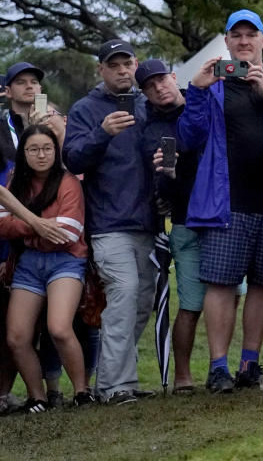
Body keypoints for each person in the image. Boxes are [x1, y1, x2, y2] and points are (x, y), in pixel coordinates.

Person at [179, 9, 263, 393]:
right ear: (226, 41)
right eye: (237, 35)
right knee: (221, 284)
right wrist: (195, 91)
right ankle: (218, 368)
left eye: (252, 34)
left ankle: (250, 364)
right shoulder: (212, 83)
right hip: (226, 201)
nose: (244, 41)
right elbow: (189, 139)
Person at [63, 39, 156, 404]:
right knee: (124, 295)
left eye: (127, 63)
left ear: (135, 66)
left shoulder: (149, 103)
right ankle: (114, 385)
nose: (121, 70)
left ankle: (120, 379)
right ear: (100, 69)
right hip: (107, 223)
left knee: (141, 303)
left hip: (148, 223)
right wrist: (103, 133)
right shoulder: (86, 109)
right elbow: (72, 160)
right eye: (113, 64)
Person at [1, 125, 95, 412]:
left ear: (56, 151)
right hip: (29, 262)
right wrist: (40, 225)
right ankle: (37, 396)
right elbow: (2, 224)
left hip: (66, 260)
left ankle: (81, 391)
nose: (41, 155)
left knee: (59, 328)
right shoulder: (17, 181)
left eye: (47, 149)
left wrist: (25, 226)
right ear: (23, 153)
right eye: (33, 149)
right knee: (16, 336)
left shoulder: (68, 182)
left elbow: (68, 232)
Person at [137, 58, 204, 394]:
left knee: (231, 296)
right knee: (191, 303)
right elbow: (163, 187)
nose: (159, 88)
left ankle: (225, 366)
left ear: (174, 78)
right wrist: (172, 175)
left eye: (162, 80)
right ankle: (183, 375)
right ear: (145, 95)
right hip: (185, 219)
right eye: (150, 86)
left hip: (221, 213)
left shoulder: (202, 101)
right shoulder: (152, 130)